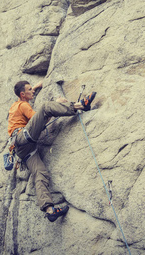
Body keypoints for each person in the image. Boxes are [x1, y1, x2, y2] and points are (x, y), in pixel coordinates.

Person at [7, 80, 96, 222]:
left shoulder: (17, 105)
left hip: (23, 150)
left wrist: (35, 87)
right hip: (23, 137)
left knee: (40, 173)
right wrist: (57, 102)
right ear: (23, 94)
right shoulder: (23, 105)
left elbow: (26, 102)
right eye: (30, 89)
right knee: (46, 107)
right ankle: (80, 105)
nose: (33, 91)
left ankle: (49, 210)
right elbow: (40, 116)